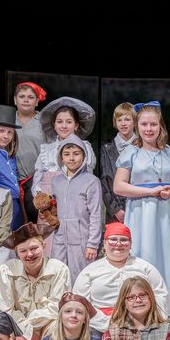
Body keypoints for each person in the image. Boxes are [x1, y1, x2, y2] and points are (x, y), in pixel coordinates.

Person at [114, 103, 170, 316]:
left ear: (160, 126)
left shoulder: (169, 153)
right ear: (137, 126)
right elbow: (119, 186)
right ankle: (141, 306)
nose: (149, 129)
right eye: (144, 124)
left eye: (153, 124)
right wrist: (148, 192)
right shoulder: (130, 153)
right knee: (144, 252)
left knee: (169, 255)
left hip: (165, 211)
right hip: (140, 211)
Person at [72, 223, 170, 331]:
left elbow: (161, 296)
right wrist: (103, 323)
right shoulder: (90, 271)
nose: (118, 244)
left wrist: (146, 320)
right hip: (98, 326)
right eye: (113, 239)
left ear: (130, 244)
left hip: (142, 324)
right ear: (104, 243)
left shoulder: (145, 268)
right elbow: (80, 302)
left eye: (124, 240)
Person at [0, 224, 72, 340]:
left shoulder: (59, 269)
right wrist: (21, 331)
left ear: (44, 246)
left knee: (57, 330)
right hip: (15, 325)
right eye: (23, 251)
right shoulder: (6, 270)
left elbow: (57, 307)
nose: (29, 254)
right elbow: (4, 308)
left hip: (48, 323)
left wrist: (33, 330)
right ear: (17, 253)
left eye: (34, 248)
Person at [45, 135, 103, 282]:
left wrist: (92, 244)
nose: (71, 158)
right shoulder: (56, 181)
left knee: (81, 278)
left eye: (76, 154)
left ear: (84, 155)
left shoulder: (92, 181)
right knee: (58, 277)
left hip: (82, 240)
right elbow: (54, 210)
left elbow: (96, 214)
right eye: (67, 154)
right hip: (59, 240)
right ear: (61, 158)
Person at [33, 96, 98, 194]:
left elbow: (88, 180)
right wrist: (40, 197)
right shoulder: (46, 150)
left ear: (76, 125)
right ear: (54, 125)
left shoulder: (85, 148)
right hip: (49, 204)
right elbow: (37, 179)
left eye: (69, 122)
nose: (64, 126)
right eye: (59, 122)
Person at [99, 102, 135, 223]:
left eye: (127, 119)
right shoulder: (106, 149)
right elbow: (103, 181)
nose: (123, 123)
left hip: (139, 207)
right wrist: (116, 210)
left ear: (135, 121)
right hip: (115, 211)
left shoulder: (142, 146)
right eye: (119, 120)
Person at [13, 81, 47, 185]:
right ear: (15, 100)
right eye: (22, 96)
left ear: (37, 101)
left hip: (39, 180)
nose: (26, 100)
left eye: (31, 97)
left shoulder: (45, 122)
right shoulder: (7, 120)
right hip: (11, 181)